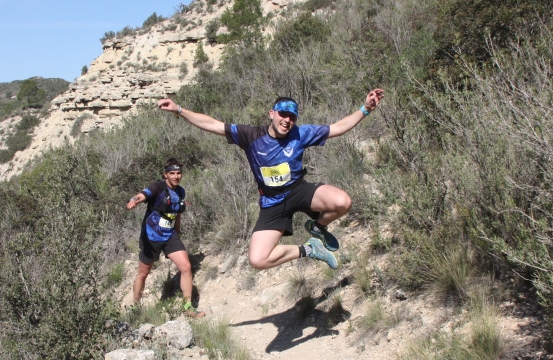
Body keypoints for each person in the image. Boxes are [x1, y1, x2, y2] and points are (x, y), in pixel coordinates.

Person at [157, 88, 384, 271]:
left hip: (299, 190)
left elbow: (337, 128)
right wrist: (179, 109)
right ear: (271, 114)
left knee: (343, 202)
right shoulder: (250, 135)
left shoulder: (300, 134)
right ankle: (310, 249)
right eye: (283, 114)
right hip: (272, 203)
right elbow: (212, 124)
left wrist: (365, 109)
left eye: (292, 117)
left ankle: (317, 227)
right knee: (258, 260)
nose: (287, 120)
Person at [126, 158, 204, 318]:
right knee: (143, 273)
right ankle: (136, 306)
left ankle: (188, 308)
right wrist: (134, 200)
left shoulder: (180, 191)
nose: (176, 176)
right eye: (172, 173)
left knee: (186, 267)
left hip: (170, 236)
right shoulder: (157, 187)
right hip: (151, 237)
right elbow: (142, 195)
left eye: (178, 173)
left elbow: (177, 213)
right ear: (165, 174)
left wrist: (178, 232)